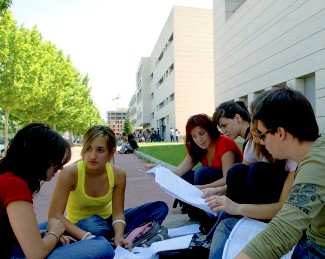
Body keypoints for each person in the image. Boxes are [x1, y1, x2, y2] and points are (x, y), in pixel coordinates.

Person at [202, 91, 297, 258]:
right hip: (266, 205)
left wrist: (237, 207)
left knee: (257, 171)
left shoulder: (295, 155)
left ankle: (242, 220)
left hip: (281, 216)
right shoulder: (255, 143)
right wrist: (219, 192)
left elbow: (285, 208)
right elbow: (236, 176)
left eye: (260, 131)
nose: (255, 132)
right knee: (237, 171)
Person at [48, 125, 168, 255]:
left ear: (111, 152)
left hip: (109, 221)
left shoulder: (118, 174)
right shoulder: (70, 173)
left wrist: (119, 235)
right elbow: (55, 215)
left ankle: (114, 239)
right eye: (88, 149)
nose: (92, 156)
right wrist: (85, 236)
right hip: (82, 226)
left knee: (159, 208)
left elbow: (118, 213)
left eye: (100, 150)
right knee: (94, 225)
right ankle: (121, 237)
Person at [234, 88, 325, 258]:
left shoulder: (317, 164)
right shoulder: (312, 153)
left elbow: (283, 232)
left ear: (280, 133)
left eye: (262, 134)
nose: (261, 142)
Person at [0, 123, 71, 258]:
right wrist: (54, 234)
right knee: (100, 246)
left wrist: (49, 234)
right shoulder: (14, 185)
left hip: (9, 245)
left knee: (49, 226)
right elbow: (35, 254)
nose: (60, 168)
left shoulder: (5, 176)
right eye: (57, 161)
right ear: (40, 158)